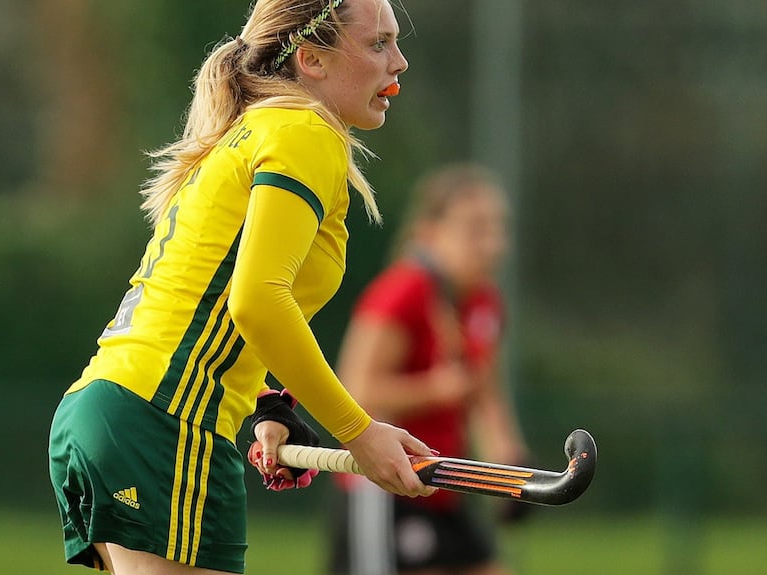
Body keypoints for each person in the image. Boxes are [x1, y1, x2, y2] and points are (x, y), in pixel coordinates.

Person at [47, 2, 436, 574]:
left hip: (112, 409)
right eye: (378, 44)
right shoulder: (305, 132)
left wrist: (265, 403)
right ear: (312, 59)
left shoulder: (255, 130)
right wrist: (358, 432)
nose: (398, 63)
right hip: (163, 422)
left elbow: (202, 303)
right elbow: (256, 301)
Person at [329, 164, 531, 575]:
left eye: (497, 229)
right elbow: (354, 392)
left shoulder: (483, 302)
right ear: (431, 232)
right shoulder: (403, 292)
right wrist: (433, 391)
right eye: (475, 229)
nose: (492, 245)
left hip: (444, 485)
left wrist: (507, 459)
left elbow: (484, 391)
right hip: (385, 490)